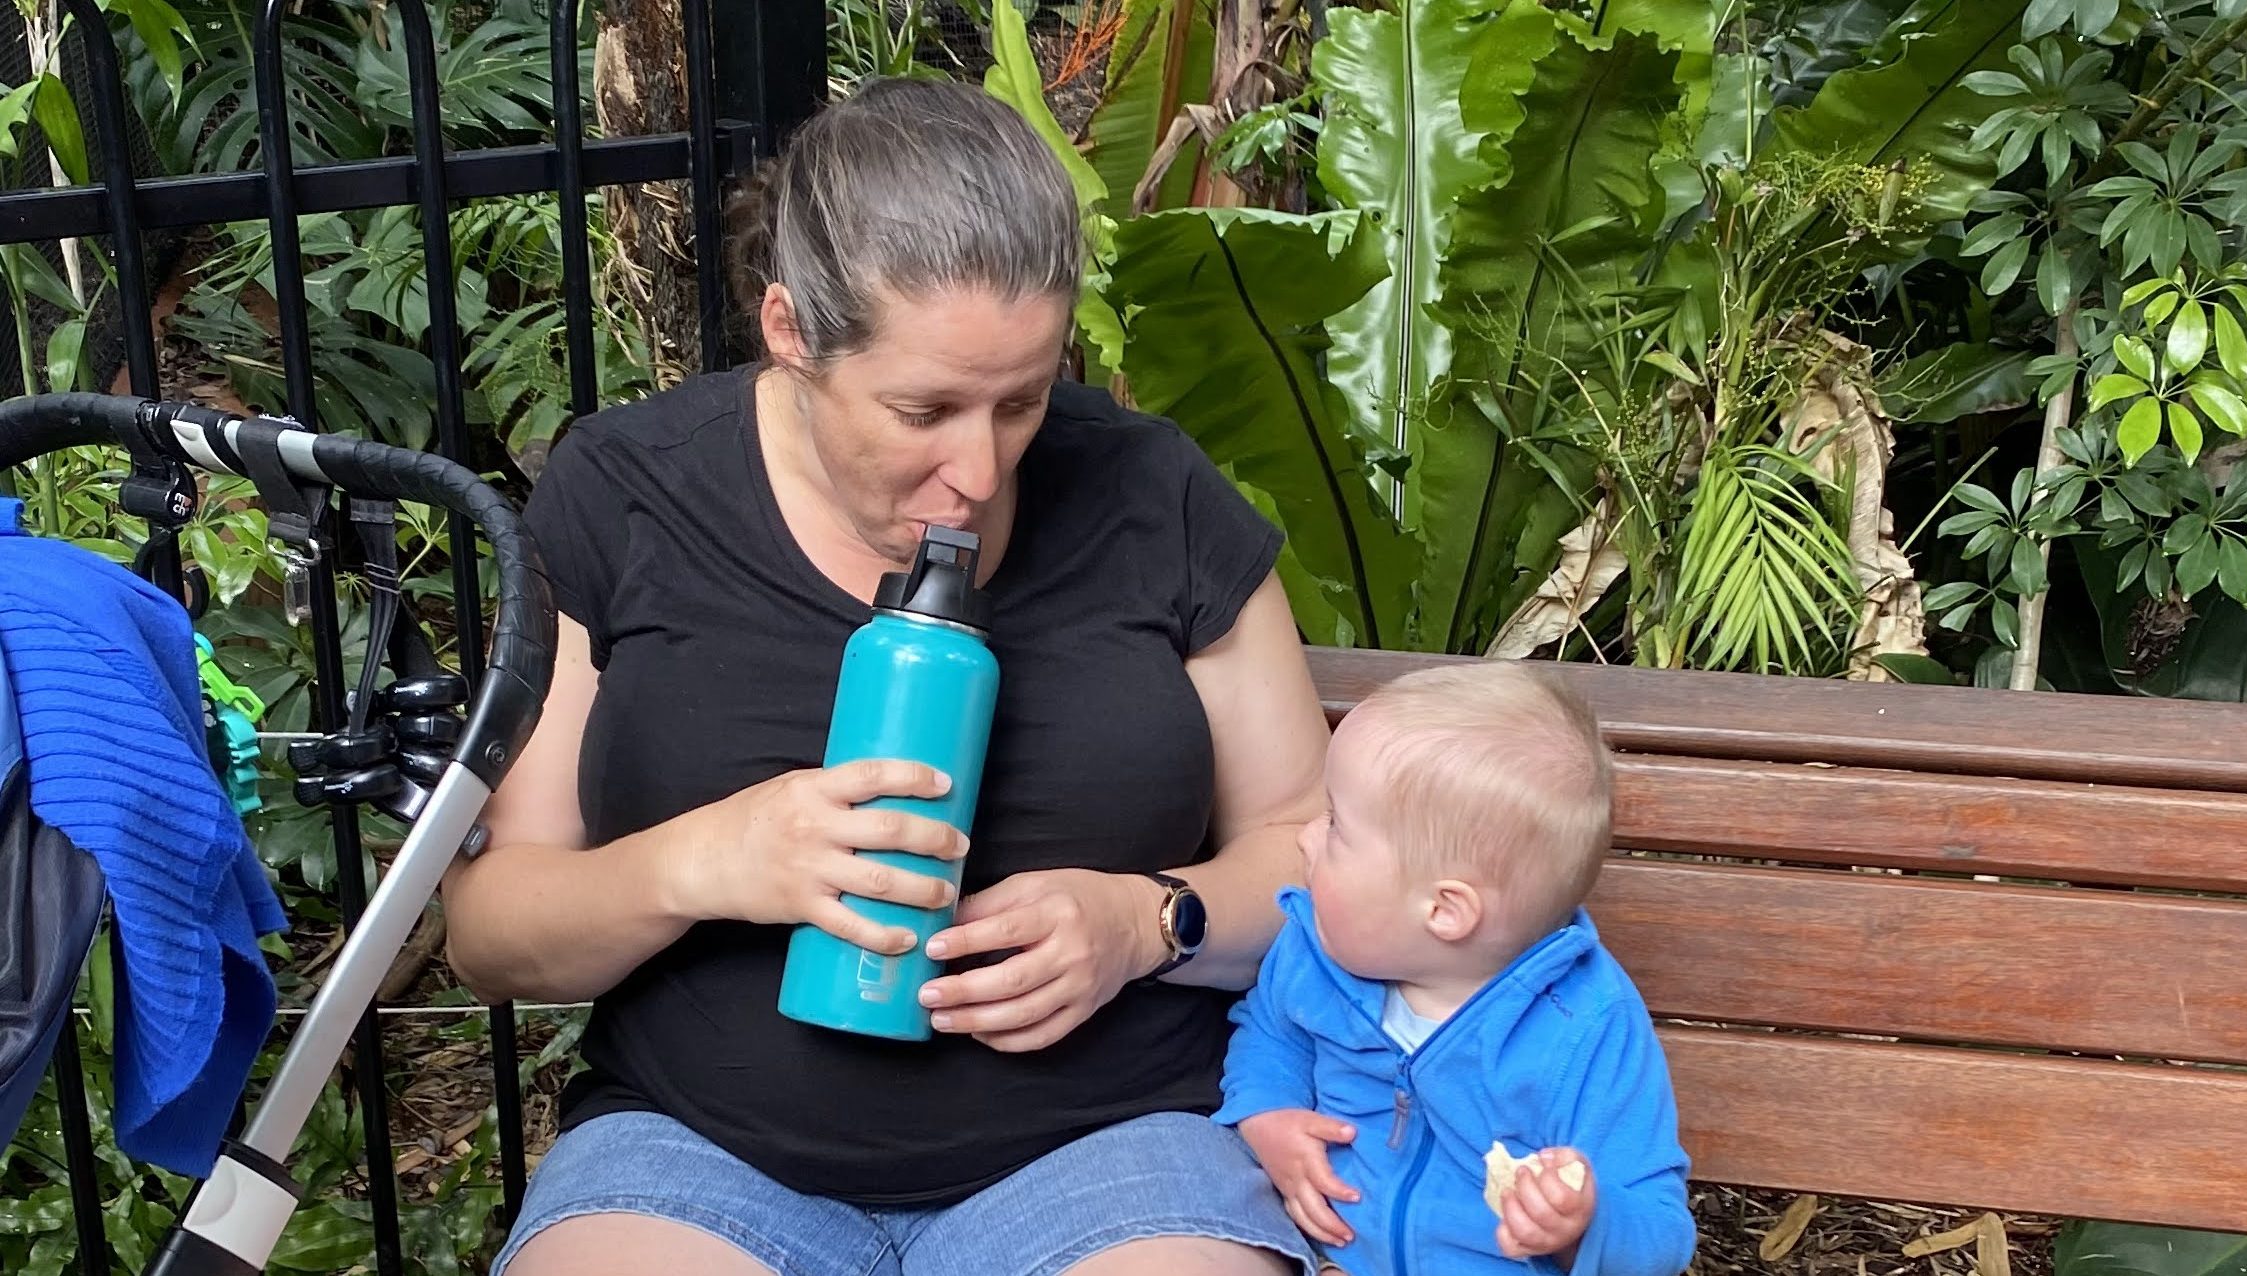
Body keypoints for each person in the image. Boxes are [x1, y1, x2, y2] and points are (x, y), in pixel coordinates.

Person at [438, 78, 1330, 1276]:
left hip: (1113, 1147)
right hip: (701, 1152)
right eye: (925, 409)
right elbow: (492, 931)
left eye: (1022, 401)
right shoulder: (628, 493)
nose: (980, 471)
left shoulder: (1151, 493)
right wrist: (705, 859)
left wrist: (1146, 921)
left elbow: (1312, 852)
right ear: (790, 330)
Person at [1215, 662, 1695, 1276]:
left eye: (1336, 827)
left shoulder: (1586, 1029)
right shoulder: (1313, 952)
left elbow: (1660, 1230)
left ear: (1444, 910)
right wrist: (1265, 1114)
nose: (1306, 838)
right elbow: (1271, 1033)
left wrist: (1584, 1225)